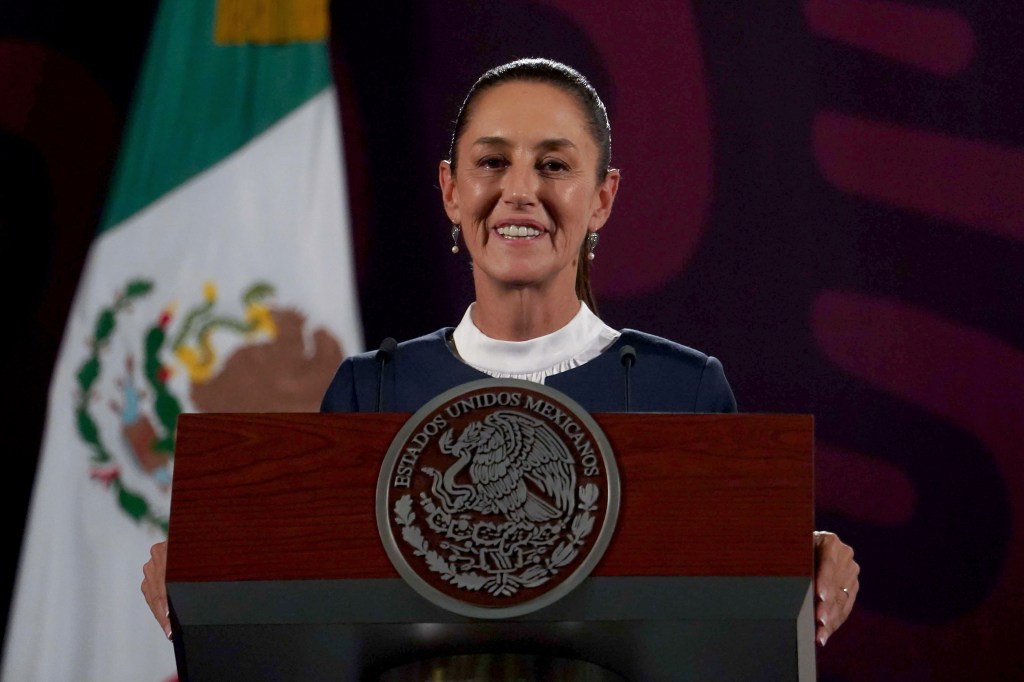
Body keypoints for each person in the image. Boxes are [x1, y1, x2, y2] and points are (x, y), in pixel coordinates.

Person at [142, 56, 859, 649]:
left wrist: (807, 554)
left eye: (554, 165)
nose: (520, 192)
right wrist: (203, 567)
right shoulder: (372, 391)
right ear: (452, 190)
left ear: (602, 198)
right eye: (492, 162)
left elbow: (732, 593)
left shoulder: (685, 390)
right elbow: (310, 593)